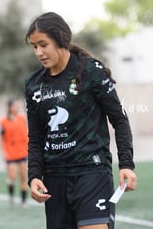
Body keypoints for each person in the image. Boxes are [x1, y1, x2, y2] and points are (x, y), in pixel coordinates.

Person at [25, 12, 138, 229]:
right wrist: (34, 176)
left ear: (60, 40)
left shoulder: (90, 71)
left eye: (43, 44)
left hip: (91, 173)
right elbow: (36, 138)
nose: (38, 52)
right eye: (34, 46)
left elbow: (119, 119)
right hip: (54, 180)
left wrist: (126, 164)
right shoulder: (34, 85)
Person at [0, 99, 29, 205]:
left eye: (17, 105)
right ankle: (11, 194)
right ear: (9, 108)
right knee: (12, 177)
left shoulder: (22, 119)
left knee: (23, 176)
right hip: (11, 153)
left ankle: (24, 200)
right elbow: (1, 138)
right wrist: (4, 152)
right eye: (14, 106)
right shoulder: (3, 122)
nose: (16, 107)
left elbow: (26, 133)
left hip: (22, 151)